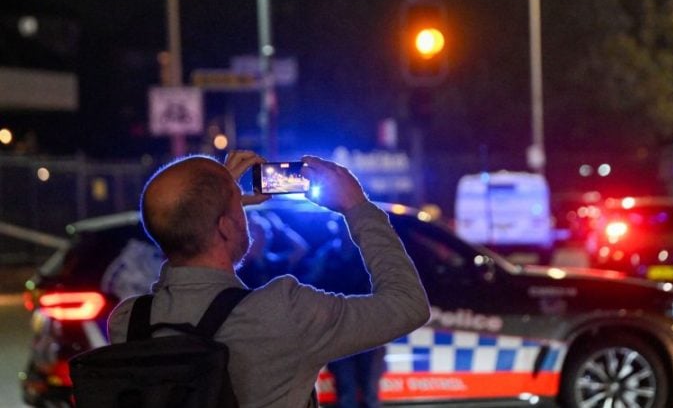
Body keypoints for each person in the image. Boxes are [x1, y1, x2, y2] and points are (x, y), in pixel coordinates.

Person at [107, 150, 430, 408]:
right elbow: (408, 305)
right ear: (225, 227)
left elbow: (181, 259)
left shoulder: (128, 321)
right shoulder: (285, 312)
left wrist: (215, 204)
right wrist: (358, 208)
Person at [307, 216, 386, 408]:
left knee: (370, 392)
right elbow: (311, 282)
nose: (347, 231)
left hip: (369, 331)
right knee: (346, 392)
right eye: (343, 227)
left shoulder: (368, 255)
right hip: (338, 330)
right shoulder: (326, 254)